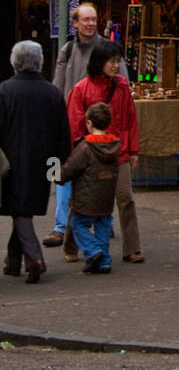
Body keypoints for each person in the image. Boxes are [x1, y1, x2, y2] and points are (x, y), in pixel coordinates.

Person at [46, 1, 124, 249]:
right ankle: (62, 226)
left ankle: (103, 221)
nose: (90, 24)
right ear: (75, 23)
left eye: (93, 20)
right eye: (86, 20)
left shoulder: (106, 48)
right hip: (73, 124)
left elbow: (122, 84)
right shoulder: (67, 50)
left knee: (102, 178)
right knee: (65, 176)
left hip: (102, 125)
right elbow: (58, 89)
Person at [64, 40, 144, 264]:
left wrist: (134, 150)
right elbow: (75, 124)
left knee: (125, 199)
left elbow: (130, 118)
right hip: (93, 156)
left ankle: (132, 248)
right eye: (112, 61)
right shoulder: (81, 89)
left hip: (120, 152)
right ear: (100, 62)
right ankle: (71, 245)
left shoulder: (121, 86)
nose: (116, 66)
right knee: (84, 201)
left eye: (118, 61)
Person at [0, 42, 70, 283]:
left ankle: (35, 259)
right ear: (39, 62)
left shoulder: (4, 91)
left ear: (15, 62)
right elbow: (63, 134)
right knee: (23, 210)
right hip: (42, 163)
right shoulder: (53, 92)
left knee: (19, 210)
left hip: (11, 163)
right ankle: (12, 262)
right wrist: (56, 164)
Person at [59, 101, 120, 274]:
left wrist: (57, 176)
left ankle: (94, 251)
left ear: (89, 123)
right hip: (106, 197)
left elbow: (70, 168)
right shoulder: (115, 145)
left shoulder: (85, 147)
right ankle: (104, 261)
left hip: (86, 197)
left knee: (78, 224)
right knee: (102, 226)